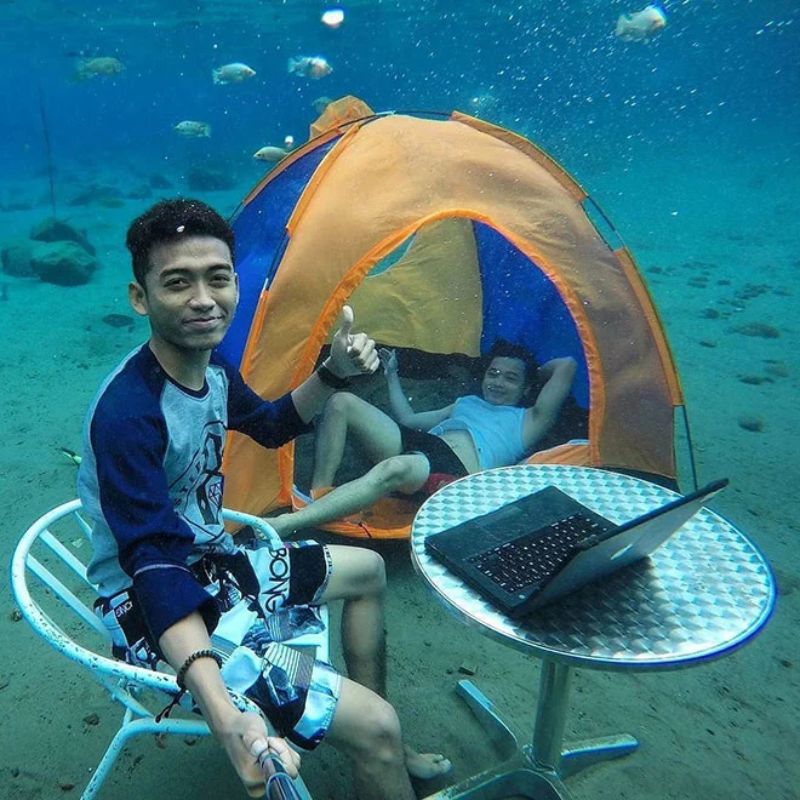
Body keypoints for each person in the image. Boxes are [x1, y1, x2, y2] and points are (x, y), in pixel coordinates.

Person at [77, 198, 450, 799]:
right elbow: (154, 568)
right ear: (140, 298)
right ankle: (380, 739)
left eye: (218, 278)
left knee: (369, 569)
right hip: (153, 610)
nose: (204, 299)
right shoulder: (129, 415)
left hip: (214, 566)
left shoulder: (211, 370)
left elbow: (273, 425)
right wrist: (225, 719)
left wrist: (333, 371)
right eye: (178, 282)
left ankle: (378, 741)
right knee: (377, 725)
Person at [270, 342, 576, 536]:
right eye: (493, 373)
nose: (497, 382)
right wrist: (392, 374)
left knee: (395, 468)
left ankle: (289, 523)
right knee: (342, 402)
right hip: (422, 445)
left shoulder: (530, 419)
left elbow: (567, 365)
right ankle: (320, 494)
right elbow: (408, 419)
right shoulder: (466, 403)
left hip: (452, 470)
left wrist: (533, 373)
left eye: (510, 378)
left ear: (526, 388)